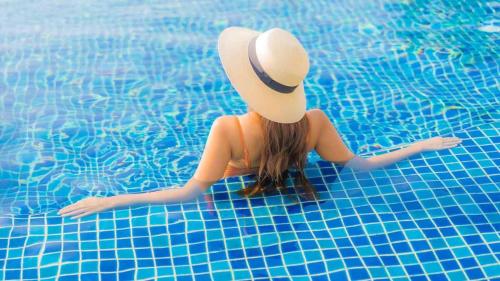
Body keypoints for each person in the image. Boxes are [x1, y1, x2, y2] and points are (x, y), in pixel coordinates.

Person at [58, 27, 461, 219]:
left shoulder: (227, 129)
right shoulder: (315, 123)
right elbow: (360, 165)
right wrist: (419, 145)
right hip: (299, 207)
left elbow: (189, 194)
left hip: (236, 205)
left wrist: (111, 200)